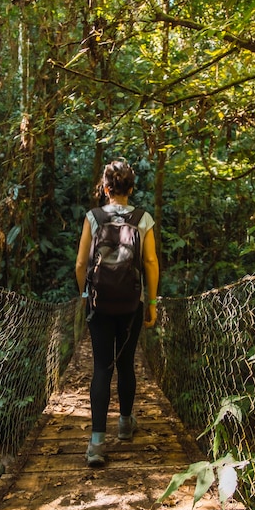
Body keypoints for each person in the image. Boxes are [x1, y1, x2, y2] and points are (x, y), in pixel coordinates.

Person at [76, 159, 159, 466]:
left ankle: (97, 444)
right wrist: (150, 303)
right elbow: (150, 263)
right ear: (131, 188)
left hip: (99, 302)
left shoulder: (93, 217)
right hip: (131, 302)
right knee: (125, 363)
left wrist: (86, 294)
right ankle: (125, 424)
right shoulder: (143, 218)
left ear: (105, 188)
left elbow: (81, 263)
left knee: (101, 367)